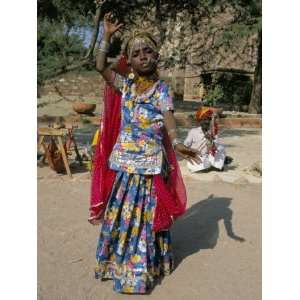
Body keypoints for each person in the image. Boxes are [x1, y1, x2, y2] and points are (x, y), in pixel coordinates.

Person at [89, 12, 199, 294]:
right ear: (130, 61)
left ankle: (141, 270)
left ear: (156, 56)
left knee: (146, 217)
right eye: (136, 53)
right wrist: (107, 37)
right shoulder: (124, 86)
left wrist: (176, 144)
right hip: (126, 163)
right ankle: (115, 263)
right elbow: (100, 65)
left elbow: (169, 118)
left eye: (148, 51)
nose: (143, 56)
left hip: (150, 165)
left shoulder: (162, 90)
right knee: (123, 214)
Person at [184, 107, 226, 173]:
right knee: (199, 165)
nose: (206, 122)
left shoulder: (212, 132)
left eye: (208, 119)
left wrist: (210, 139)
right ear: (199, 121)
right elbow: (184, 146)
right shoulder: (193, 132)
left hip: (208, 156)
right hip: (197, 156)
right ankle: (210, 166)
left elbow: (214, 148)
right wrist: (192, 150)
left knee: (221, 148)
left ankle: (214, 165)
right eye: (203, 120)